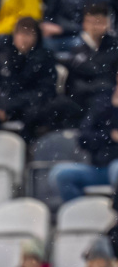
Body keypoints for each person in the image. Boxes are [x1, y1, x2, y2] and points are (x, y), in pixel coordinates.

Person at [0, 17, 63, 140]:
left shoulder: (45, 57)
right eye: (20, 33)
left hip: (34, 105)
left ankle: (23, 149)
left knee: (32, 115)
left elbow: (46, 90)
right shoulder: (6, 57)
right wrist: (2, 106)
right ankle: (1, 146)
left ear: (36, 37)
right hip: (12, 106)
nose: (23, 38)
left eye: (28, 34)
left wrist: (12, 105)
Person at [50, 72, 118, 203]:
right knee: (60, 174)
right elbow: (83, 137)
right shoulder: (102, 101)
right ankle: (82, 213)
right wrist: (110, 136)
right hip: (98, 167)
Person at [64, 2, 118, 110]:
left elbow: (107, 79)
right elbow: (74, 82)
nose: (94, 27)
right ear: (84, 23)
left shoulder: (114, 46)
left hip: (105, 98)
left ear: (107, 23)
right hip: (80, 99)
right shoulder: (77, 48)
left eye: (99, 22)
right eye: (90, 22)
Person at [41, 0, 115, 54]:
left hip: (82, 36)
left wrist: (63, 29)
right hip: (58, 35)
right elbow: (49, 12)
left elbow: (96, 24)